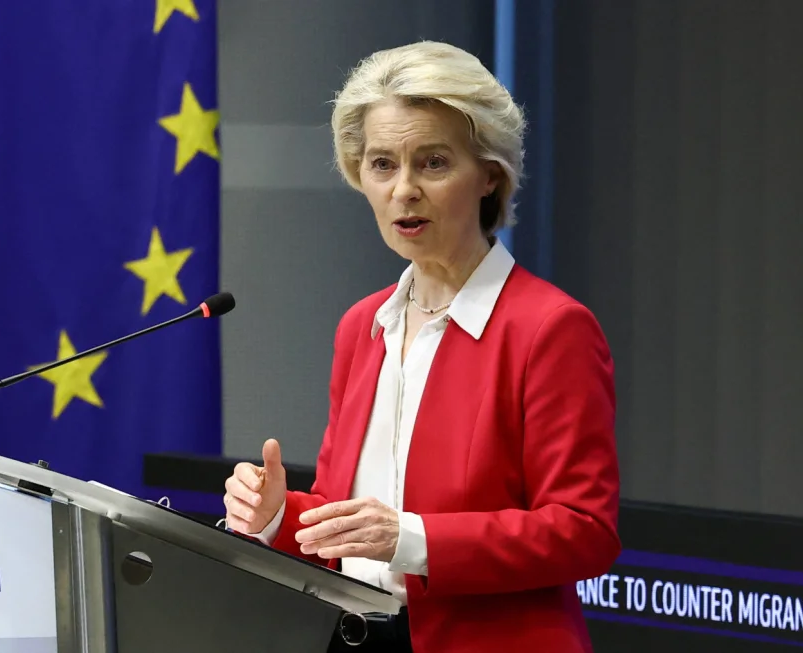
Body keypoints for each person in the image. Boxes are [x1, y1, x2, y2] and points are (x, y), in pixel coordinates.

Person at [222, 40, 621, 653]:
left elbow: (584, 531)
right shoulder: (364, 325)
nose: (403, 189)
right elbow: (352, 524)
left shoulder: (550, 327)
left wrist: (412, 539)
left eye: (432, 163)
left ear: (489, 174)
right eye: (382, 164)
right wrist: (278, 515)